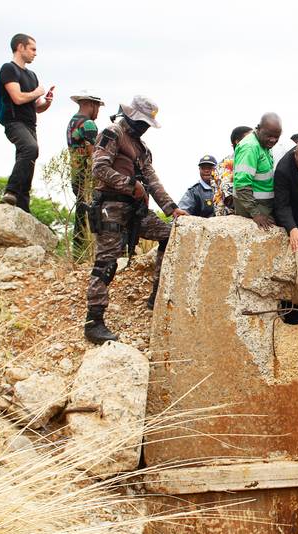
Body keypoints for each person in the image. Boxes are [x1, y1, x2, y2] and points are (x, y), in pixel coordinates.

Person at [84, 96, 187, 344]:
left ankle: (156, 297)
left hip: (136, 210)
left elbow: (152, 181)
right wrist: (130, 185)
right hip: (111, 206)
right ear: (129, 115)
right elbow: (99, 168)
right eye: (141, 122)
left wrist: (172, 208)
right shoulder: (112, 133)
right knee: (106, 263)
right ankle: (93, 321)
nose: (143, 127)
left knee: (169, 235)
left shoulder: (142, 148)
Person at [0, 33, 52, 212]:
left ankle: (23, 205)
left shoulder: (32, 75)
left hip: (31, 124)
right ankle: (11, 191)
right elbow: (18, 98)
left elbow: (37, 106)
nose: (35, 53)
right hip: (14, 122)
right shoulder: (8, 69)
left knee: (29, 160)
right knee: (30, 149)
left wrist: (47, 101)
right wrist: (37, 92)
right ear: (20, 47)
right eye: (32, 49)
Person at [66, 90, 104, 252]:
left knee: (81, 212)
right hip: (87, 177)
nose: (98, 111)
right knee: (91, 213)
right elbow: (94, 153)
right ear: (90, 105)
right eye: (97, 107)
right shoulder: (88, 124)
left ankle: (78, 250)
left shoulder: (72, 122)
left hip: (76, 174)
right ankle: (86, 251)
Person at [234, 112, 281, 229]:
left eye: (276, 137)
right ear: (259, 129)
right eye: (269, 136)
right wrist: (256, 214)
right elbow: (242, 185)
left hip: (263, 205)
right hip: (252, 208)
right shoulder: (250, 147)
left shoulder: (264, 144)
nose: (273, 140)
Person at [213, 125, 251, 216]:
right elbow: (229, 198)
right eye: (250, 138)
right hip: (230, 220)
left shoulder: (251, 161)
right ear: (237, 142)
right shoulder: (226, 164)